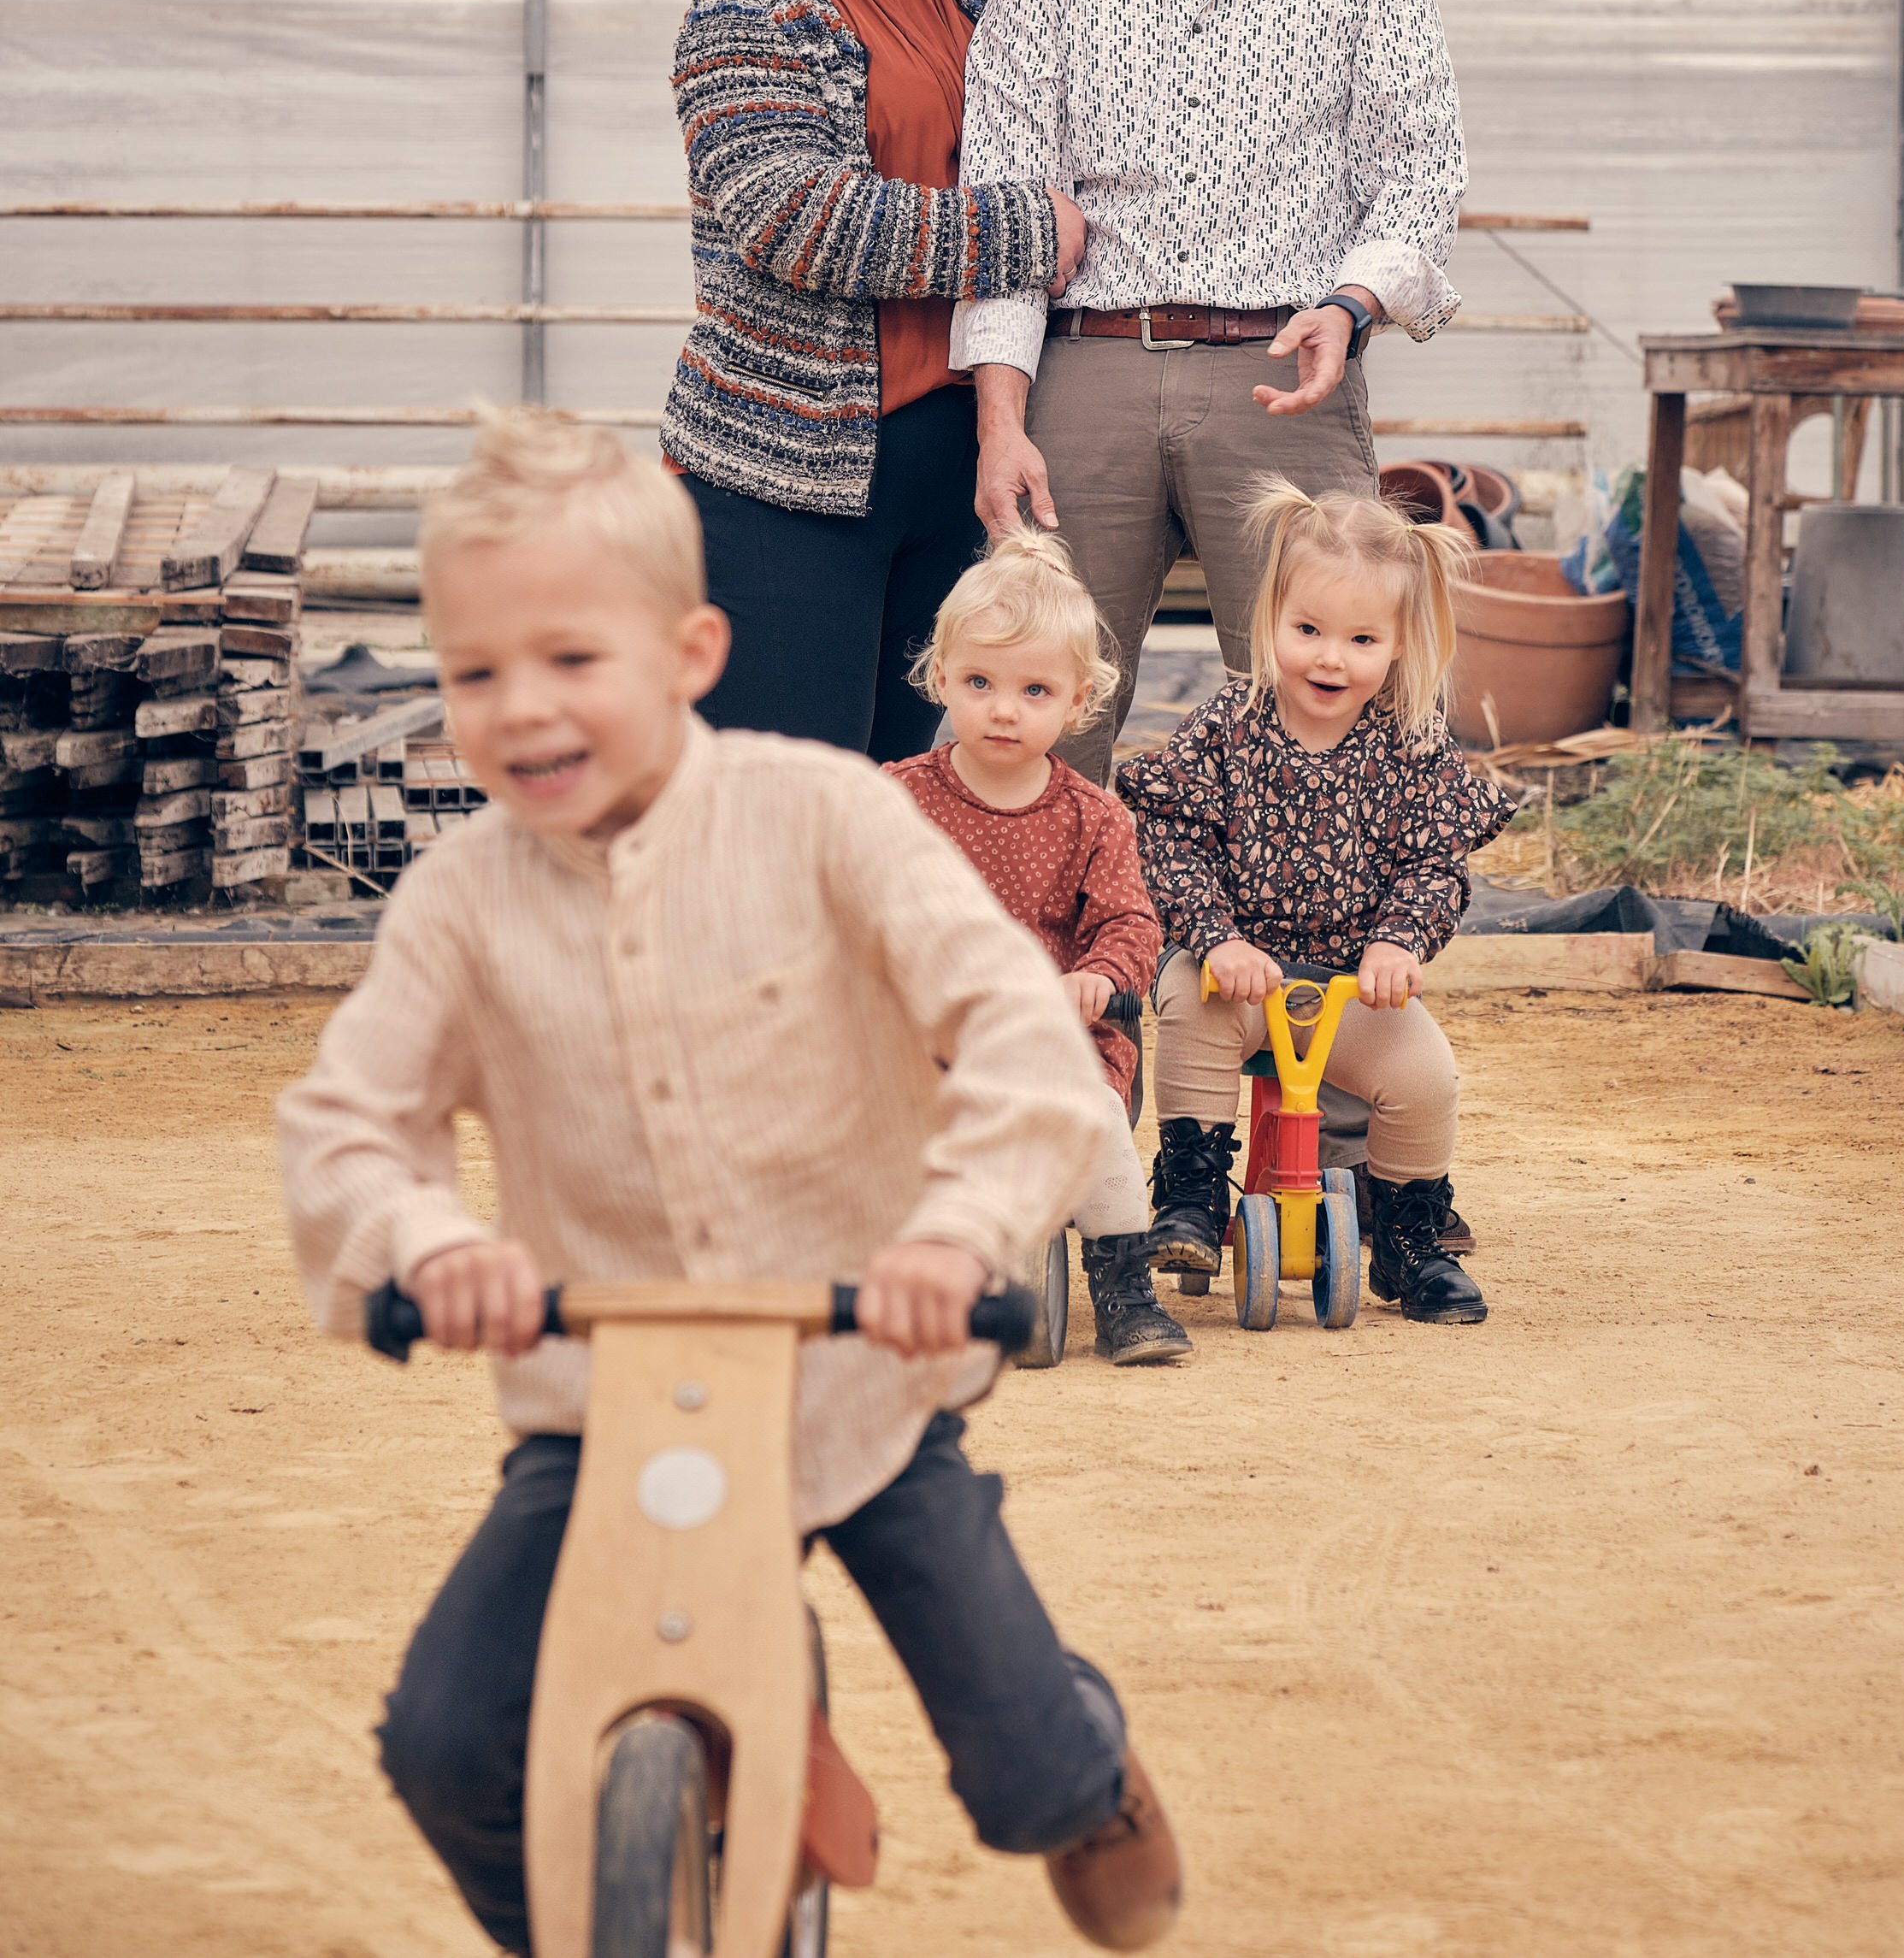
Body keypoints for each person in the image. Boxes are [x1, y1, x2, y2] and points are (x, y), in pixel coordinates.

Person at [277, 409, 1182, 1957]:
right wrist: (426, 1242)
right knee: (449, 1742)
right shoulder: (458, 902)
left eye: (575, 660)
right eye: (478, 671)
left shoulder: (829, 819)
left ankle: (1084, 1776)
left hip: (864, 1386)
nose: (524, 708)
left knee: (1025, 1769)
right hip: (602, 1399)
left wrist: (957, 1231)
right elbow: (349, 1125)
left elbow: (1018, 1036)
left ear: (692, 651)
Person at [950, 0, 1467, 780]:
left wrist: (1352, 297)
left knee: (1321, 712)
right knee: (1036, 708)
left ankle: (1289, 960)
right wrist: (999, 421)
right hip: (1085, 370)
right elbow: (1000, 207)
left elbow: (1423, 171)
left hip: (1284, 369)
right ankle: (1038, 959)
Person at [658, 0, 1088, 759]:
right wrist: (1026, 232)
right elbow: (795, 217)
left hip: (952, 467)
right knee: (787, 796)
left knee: (908, 797)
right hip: (788, 474)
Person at [1112, 480, 1514, 1328]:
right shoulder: (1230, 720)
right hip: (1242, 980)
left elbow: (1431, 863)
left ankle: (1407, 1238)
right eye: (1307, 632)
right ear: (1270, 621)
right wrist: (1216, 936)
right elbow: (1173, 838)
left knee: (1423, 1075)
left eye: (1360, 639)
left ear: (1399, 645)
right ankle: (1187, 1195)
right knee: (1186, 999)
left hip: (1345, 989)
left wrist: (1399, 943)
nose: (1329, 659)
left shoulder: (1411, 738)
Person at [888, 533, 1191, 1371]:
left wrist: (1098, 979)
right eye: (979, 683)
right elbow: (858, 903)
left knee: (1090, 1120)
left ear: (1077, 700)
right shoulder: (897, 798)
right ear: (941, 675)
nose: (1003, 709)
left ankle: (1126, 1289)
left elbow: (1132, 925)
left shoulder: (1096, 818)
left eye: (1033, 690)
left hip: (1063, 1040)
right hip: (933, 1041)